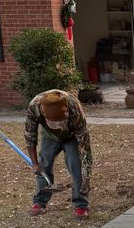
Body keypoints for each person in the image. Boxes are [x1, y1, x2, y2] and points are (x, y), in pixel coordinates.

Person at [23, 89, 93, 218]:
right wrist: (35, 163)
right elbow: (30, 135)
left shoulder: (75, 109)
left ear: (66, 110)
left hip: (72, 137)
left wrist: (87, 178)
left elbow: (85, 148)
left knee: (76, 165)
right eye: (55, 123)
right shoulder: (34, 107)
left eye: (62, 121)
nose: (60, 126)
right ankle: (39, 202)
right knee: (44, 166)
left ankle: (81, 205)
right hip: (49, 137)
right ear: (43, 113)